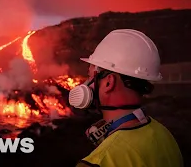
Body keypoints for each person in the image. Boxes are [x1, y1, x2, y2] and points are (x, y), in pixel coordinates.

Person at [68, 29, 183, 167]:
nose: (87, 84)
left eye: (91, 77)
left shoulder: (99, 162)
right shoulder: (165, 136)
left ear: (109, 82)